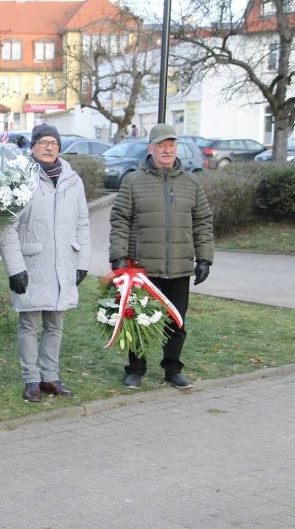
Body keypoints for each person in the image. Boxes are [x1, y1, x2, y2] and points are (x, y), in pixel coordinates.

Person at [109, 123, 214, 390]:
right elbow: (120, 220)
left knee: (176, 322)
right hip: (143, 268)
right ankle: (135, 370)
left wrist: (204, 259)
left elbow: (203, 222)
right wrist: (119, 257)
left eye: (171, 145)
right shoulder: (133, 181)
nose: (167, 150)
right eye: (161, 145)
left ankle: (172, 369)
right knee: (139, 321)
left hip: (179, 267)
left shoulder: (191, 183)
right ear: (151, 148)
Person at [0, 125, 91, 402]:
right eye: (43, 142)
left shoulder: (73, 180)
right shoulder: (20, 177)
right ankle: (31, 379)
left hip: (63, 262)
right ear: (33, 146)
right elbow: (6, 225)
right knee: (28, 324)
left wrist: (82, 261)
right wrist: (15, 268)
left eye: (54, 143)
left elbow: (83, 223)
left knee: (55, 324)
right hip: (31, 263)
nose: (49, 147)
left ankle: (50, 376)